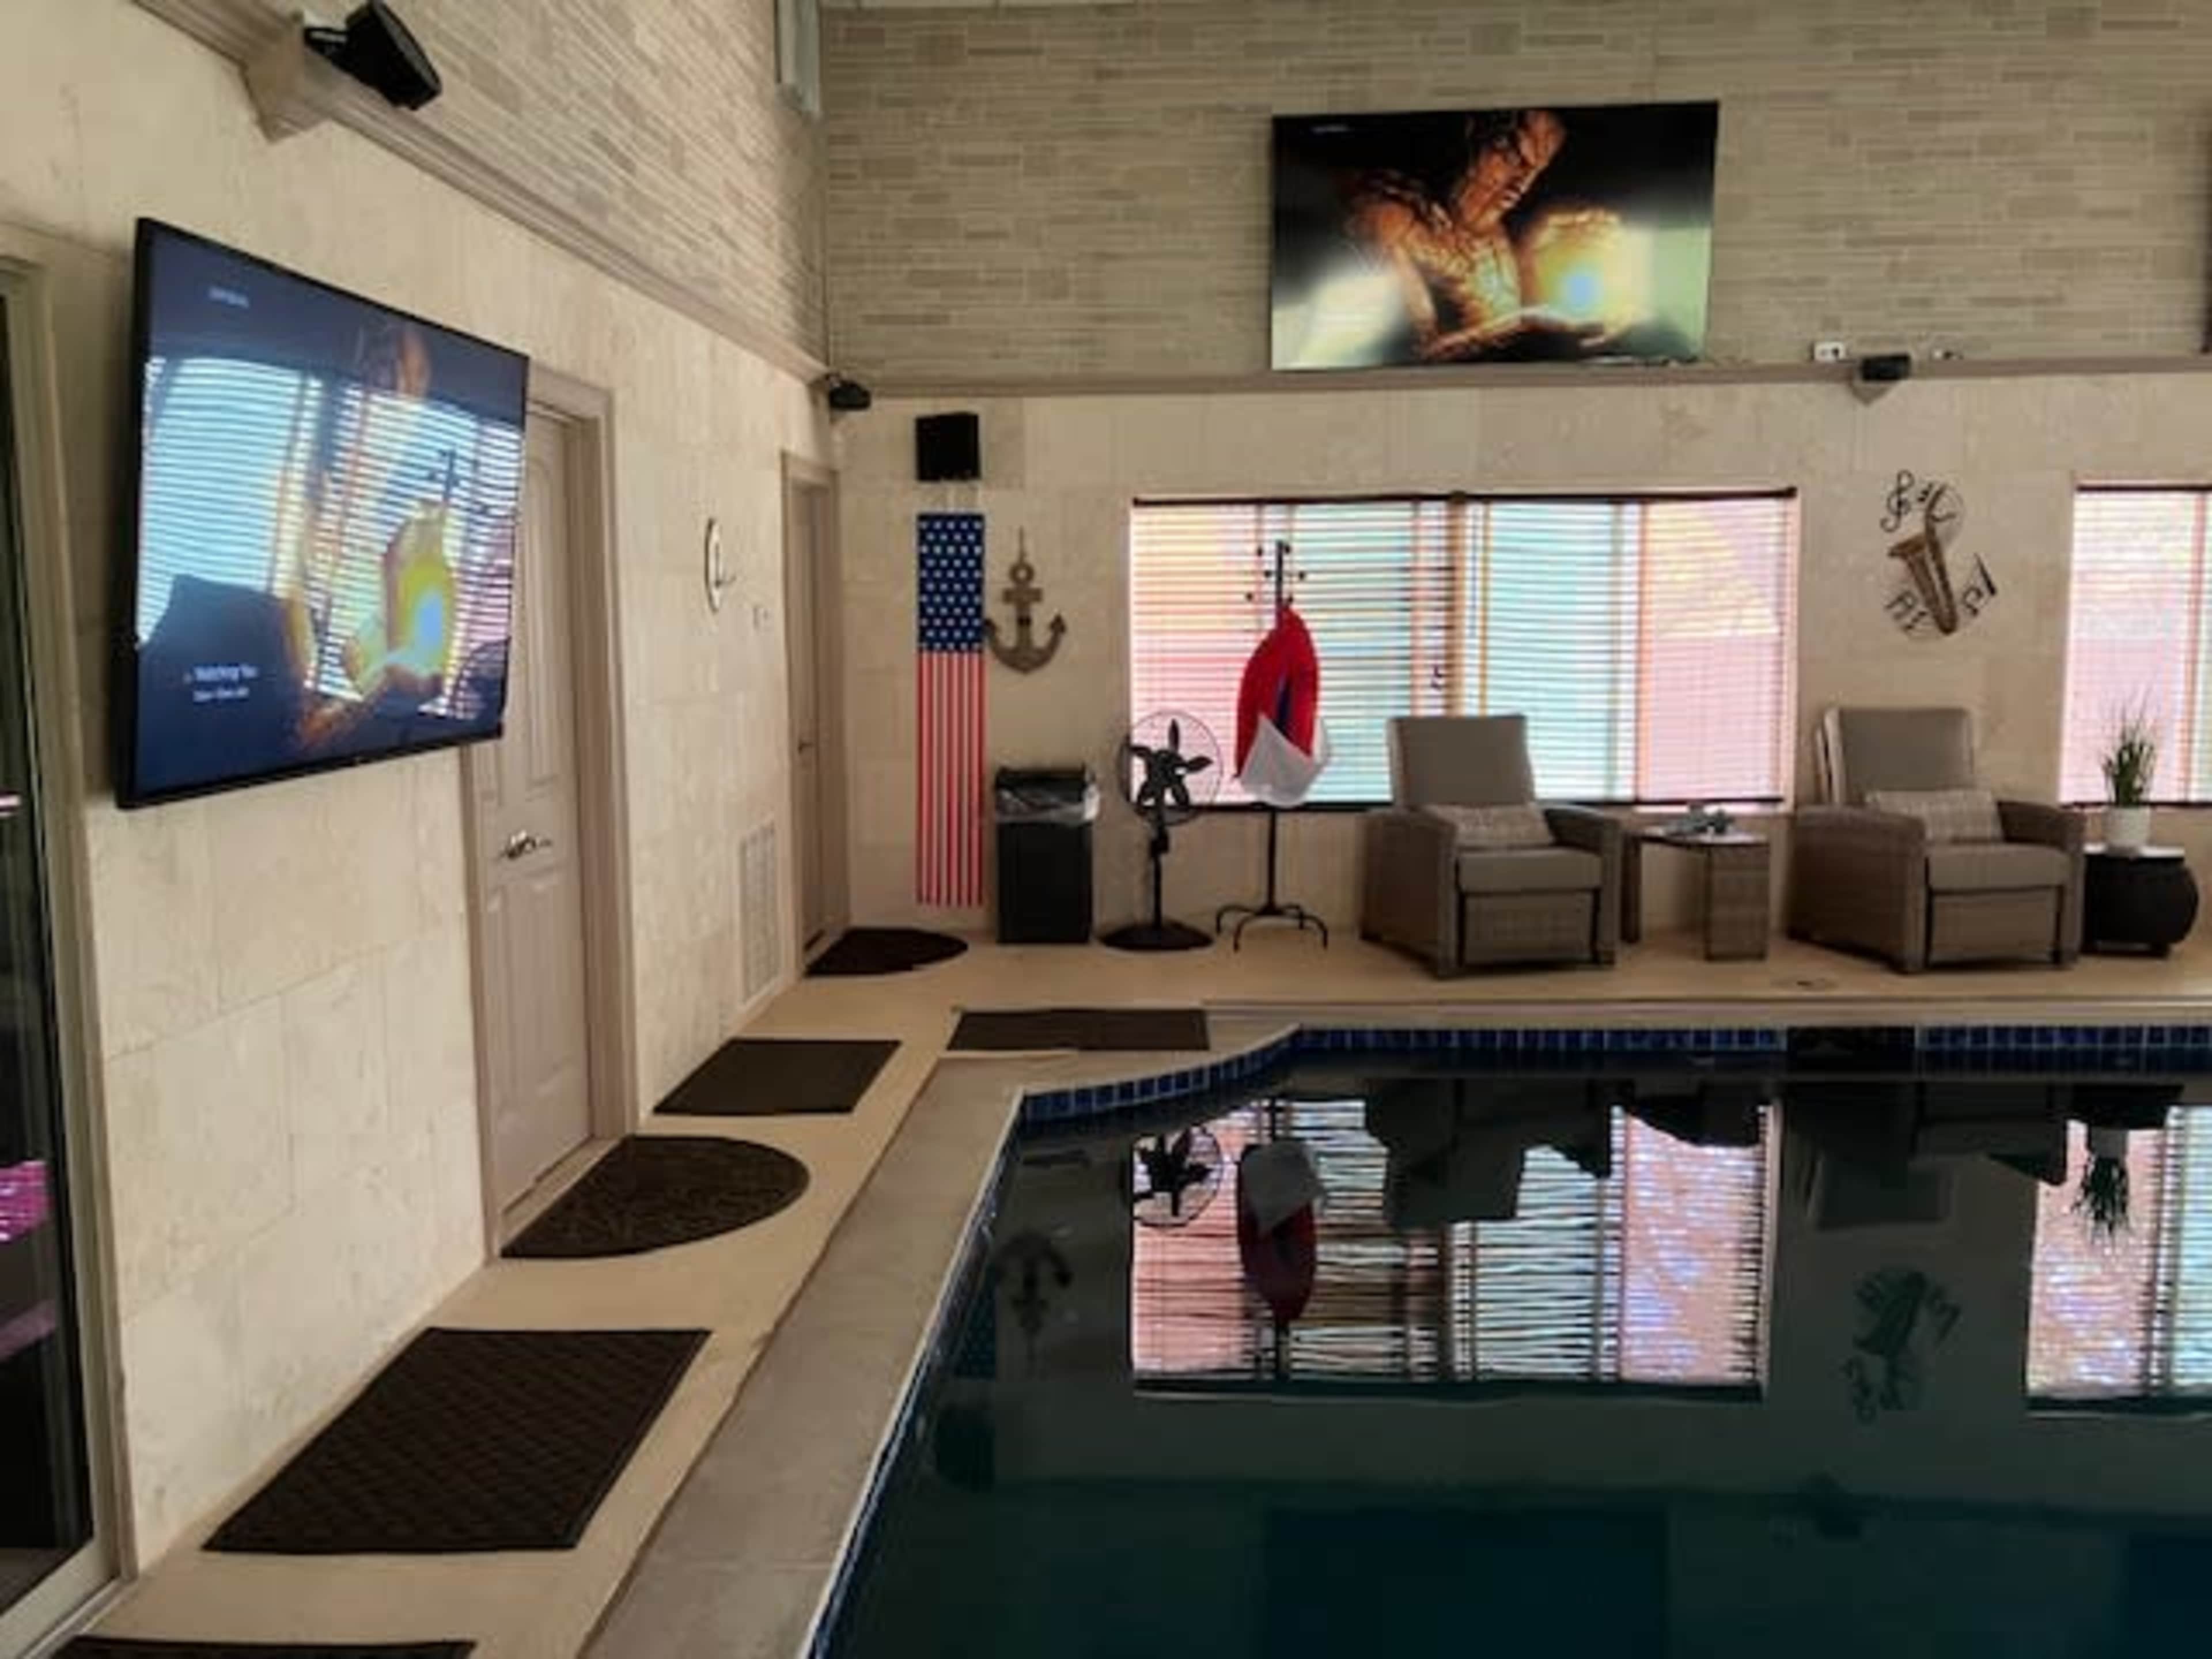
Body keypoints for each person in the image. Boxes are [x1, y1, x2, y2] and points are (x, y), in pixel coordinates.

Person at [1350, 109, 1623, 362]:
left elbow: (1506, 319)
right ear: (1473, 136)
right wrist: (1527, 326)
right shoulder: (1390, 220)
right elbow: (1414, 361)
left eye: (1535, 172)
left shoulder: (1492, 230)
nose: (1522, 184)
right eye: (1513, 158)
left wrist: (1530, 252)